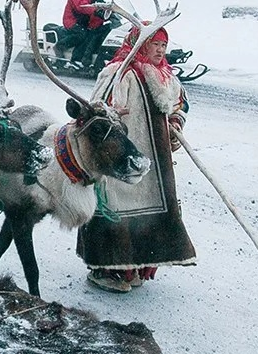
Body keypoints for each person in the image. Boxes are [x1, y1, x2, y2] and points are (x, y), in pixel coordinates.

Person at [78, 22, 196, 292]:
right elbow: (97, 114)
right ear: (140, 43)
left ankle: (138, 267)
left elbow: (180, 104)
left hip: (155, 163)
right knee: (116, 210)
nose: (160, 50)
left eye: (163, 45)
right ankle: (107, 270)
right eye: (154, 43)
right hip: (119, 162)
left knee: (149, 210)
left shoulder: (165, 75)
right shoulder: (116, 74)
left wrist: (176, 124)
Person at [62, 0, 112, 68]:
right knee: (83, 35)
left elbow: (93, 3)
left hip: (81, 21)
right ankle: (70, 55)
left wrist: (105, 6)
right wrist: (95, 9)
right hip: (72, 21)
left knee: (91, 33)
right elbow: (82, 7)